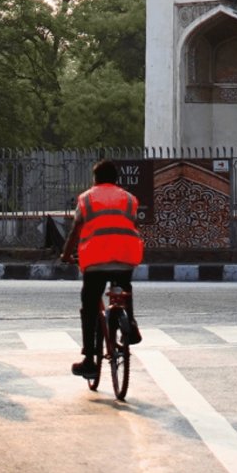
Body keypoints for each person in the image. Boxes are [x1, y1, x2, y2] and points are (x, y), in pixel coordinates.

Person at [59, 158, 145, 379]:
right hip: (126, 257)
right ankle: (131, 323)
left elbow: (75, 230)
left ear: (95, 178)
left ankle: (89, 359)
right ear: (116, 179)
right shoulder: (129, 199)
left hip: (96, 262)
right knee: (124, 289)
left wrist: (66, 255)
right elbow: (133, 226)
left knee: (89, 306)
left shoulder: (86, 198)